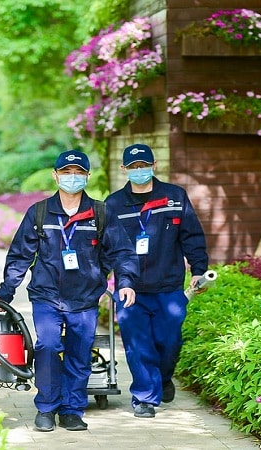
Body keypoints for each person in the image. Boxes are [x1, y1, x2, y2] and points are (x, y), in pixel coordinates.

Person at [0, 149, 138, 432]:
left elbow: (122, 252)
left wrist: (127, 282)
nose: (72, 177)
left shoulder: (101, 213)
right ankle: (46, 408)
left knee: (79, 353)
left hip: (84, 299)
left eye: (78, 172)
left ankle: (71, 409)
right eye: (67, 172)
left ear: (87, 176)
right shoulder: (40, 212)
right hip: (47, 296)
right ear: (55, 175)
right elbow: (20, 255)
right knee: (47, 346)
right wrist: (5, 291)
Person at [104, 143, 209, 419]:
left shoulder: (175, 197)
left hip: (169, 287)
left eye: (144, 166)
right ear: (124, 169)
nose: (139, 171)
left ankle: (162, 379)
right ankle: (145, 397)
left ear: (154, 166)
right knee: (138, 344)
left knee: (169, 342)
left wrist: (198, 269)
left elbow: (192, 236)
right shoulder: (113, 204)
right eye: (134, 167)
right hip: (131, 290)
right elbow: (106, 247)